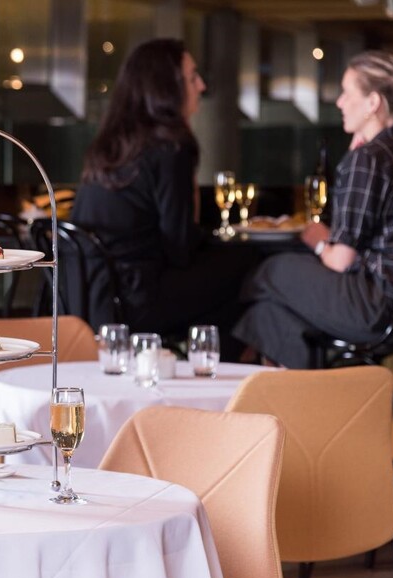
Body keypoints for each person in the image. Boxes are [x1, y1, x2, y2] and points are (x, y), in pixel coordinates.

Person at [233, 50, 393, 368]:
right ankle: (323, 385)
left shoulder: (369, 159)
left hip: (381, 309)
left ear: (373, 103)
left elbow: (340, 261)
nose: (340, 102)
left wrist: (317, 239)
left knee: (269, 271)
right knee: (266, 316)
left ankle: (233, 364)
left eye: (347, 93)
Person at [70, 38, 256, 360]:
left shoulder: (108, 145)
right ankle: (222, 371)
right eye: (192, 76)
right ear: (166, 87)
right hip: (135, 301)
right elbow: (179, 247)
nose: (202, 85)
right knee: (249, 263)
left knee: (221, 278)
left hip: (87, 298)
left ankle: (206, 363)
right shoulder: (171, 146)